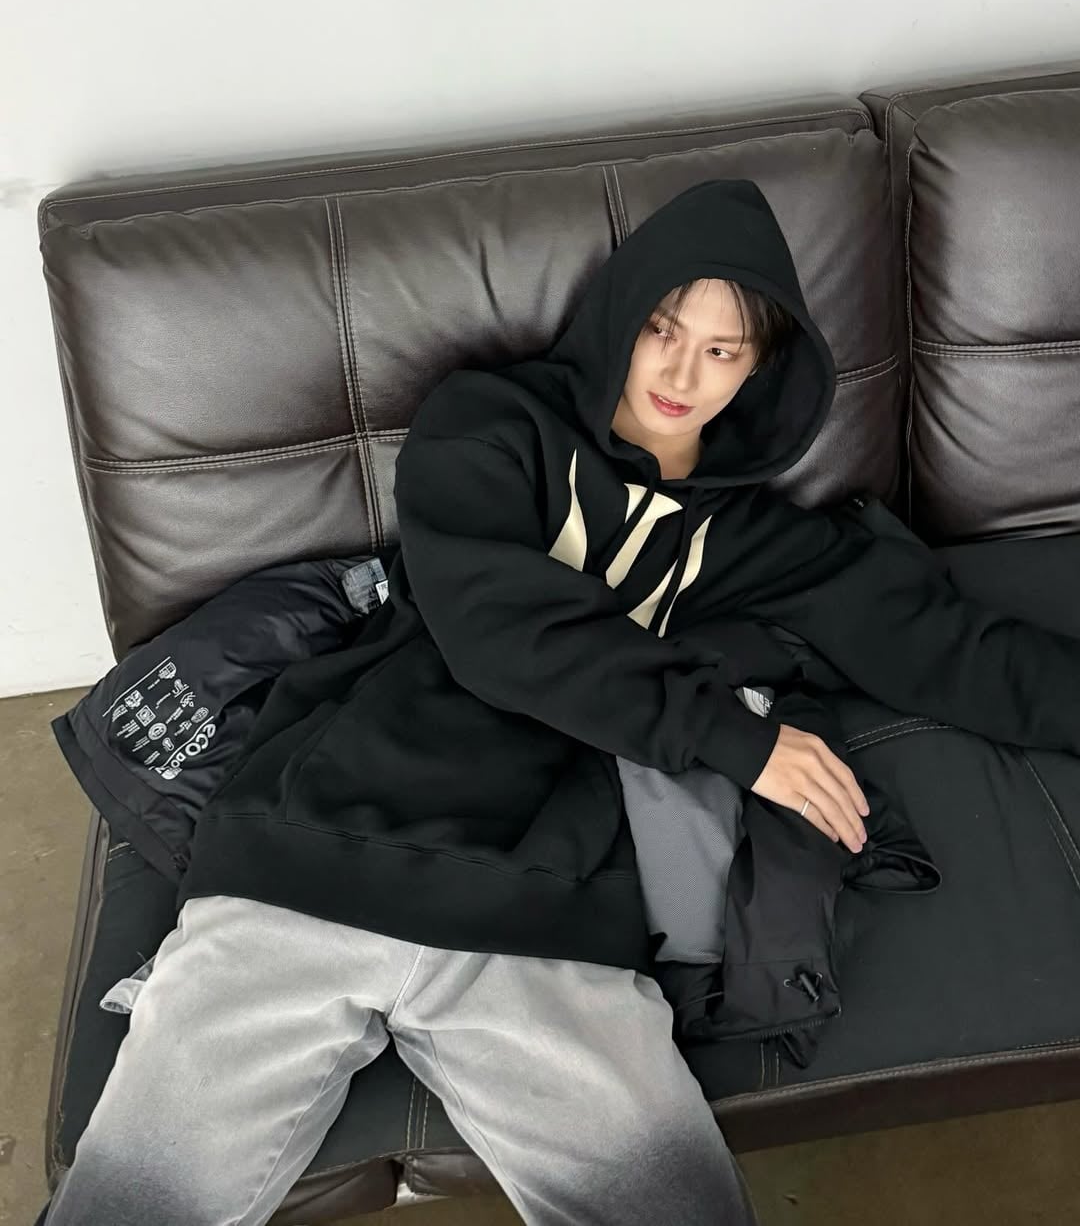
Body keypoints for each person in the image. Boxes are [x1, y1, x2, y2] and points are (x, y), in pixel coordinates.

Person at [41, 180, 1080, 1226]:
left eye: (722, 349)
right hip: (310, 857)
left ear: (760, 367)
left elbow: (951, 651)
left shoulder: (750, 541)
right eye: (664, 328)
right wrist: (741, 739)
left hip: (547, 920)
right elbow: (501, 629)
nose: (681, 371)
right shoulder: (488, 425)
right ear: (623, 313)